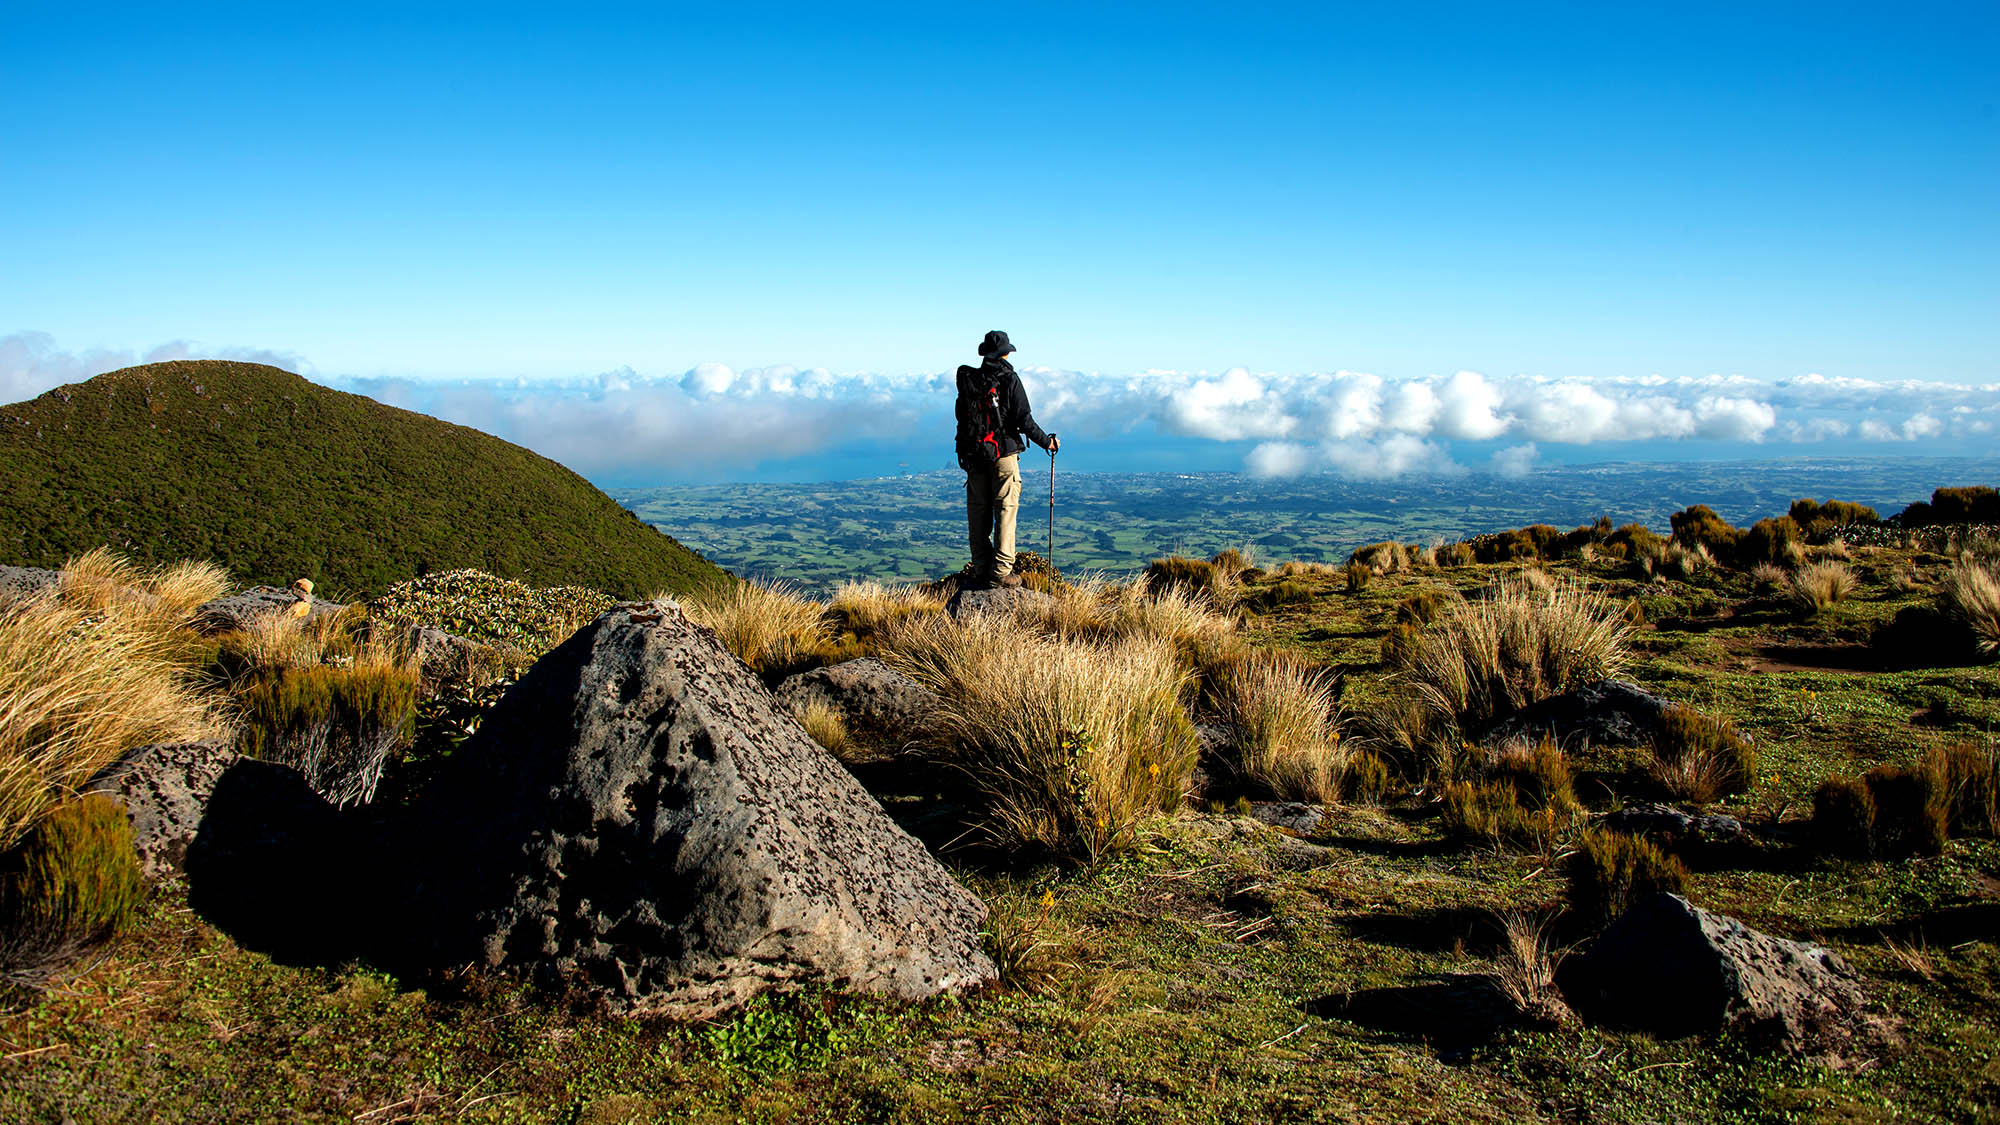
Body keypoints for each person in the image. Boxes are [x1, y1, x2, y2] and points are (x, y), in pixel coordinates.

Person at [955, 330, 1058, 589]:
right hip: (1003, 456)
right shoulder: (1010, 379)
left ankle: (980, 567)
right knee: (1005, 510)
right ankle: (1000, 571)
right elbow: (1025, 421)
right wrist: (1048, 442)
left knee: (978, 511)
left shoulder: (970, 379)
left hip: (975, 455)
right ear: (1006, 353)